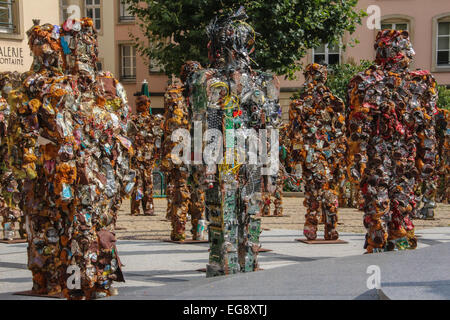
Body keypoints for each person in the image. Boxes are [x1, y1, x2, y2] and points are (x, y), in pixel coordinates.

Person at [184, 8, 282, 277]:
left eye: (237, 45)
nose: (235, 52)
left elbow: (269, 129)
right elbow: (200, 124)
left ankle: (247, 266)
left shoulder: (262, 82)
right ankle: (224, 268)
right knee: (223, 220)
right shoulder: (207, 80)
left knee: (250, 218)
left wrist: (270, 171)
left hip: (248, 158)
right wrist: (201, 168)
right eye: (230, 45)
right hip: (221, 161)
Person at [347, 30, 438, 253]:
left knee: (402, 210)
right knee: (379, 212)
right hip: (380, 162)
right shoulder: (367, 82)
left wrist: (427, 160)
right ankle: (378, 252)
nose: (406, 55)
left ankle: (399, 256)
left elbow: (427, 127)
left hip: (404, 161)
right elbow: (359, 128)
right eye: (401, 49)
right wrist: (356, 161)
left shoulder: (421, 83)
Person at [288, 63, 347, 241]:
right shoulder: (336, 102)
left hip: (312, 157)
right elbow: (342, 133)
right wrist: (340, 158)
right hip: (329, 156)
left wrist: (296, 163)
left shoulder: (298, 105)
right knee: (329, 192)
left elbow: (296, 137)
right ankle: (330, 228)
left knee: (313, 193)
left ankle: (312, 227)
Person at [129, 95, 164, 216]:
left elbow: (158, 138)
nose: (140, 107)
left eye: (142, 104)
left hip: (146, 155)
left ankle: (144, 207)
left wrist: (157, 152)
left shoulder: (153, 120)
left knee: (146, 181)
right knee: (140, 181)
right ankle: (139, 208)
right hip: (138, 155)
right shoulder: (134, 120)